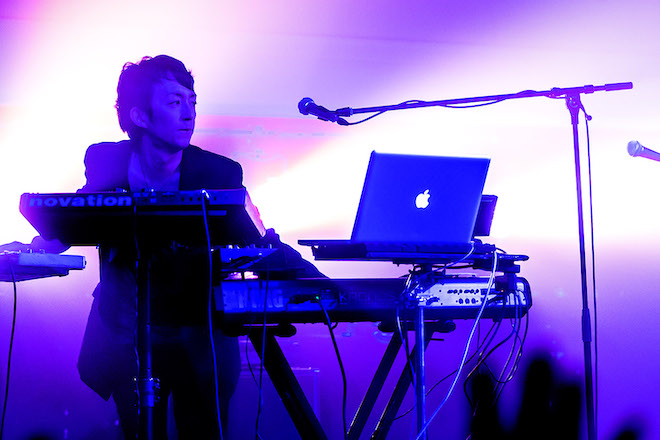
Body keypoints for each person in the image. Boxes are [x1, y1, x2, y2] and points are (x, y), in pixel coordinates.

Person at [14, 55, 322, 439]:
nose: (189, 114)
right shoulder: (107, 160)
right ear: (140, 116)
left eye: (192, 102)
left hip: (201, 335)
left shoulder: (219, 172)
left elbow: (258, 242)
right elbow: (78, 220)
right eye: (175, 102)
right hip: (125, 331)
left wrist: (325, 287)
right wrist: (27, 251)